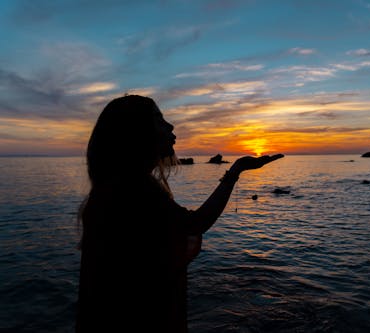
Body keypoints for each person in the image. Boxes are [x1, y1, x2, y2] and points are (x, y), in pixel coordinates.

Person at [76, 95, 283, 332]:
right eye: (158, 119)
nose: (171, 126)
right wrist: (235, 171)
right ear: (136, 132)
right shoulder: (134, 189)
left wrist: (236, 170)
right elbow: (196, 223)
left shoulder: (115, 188)